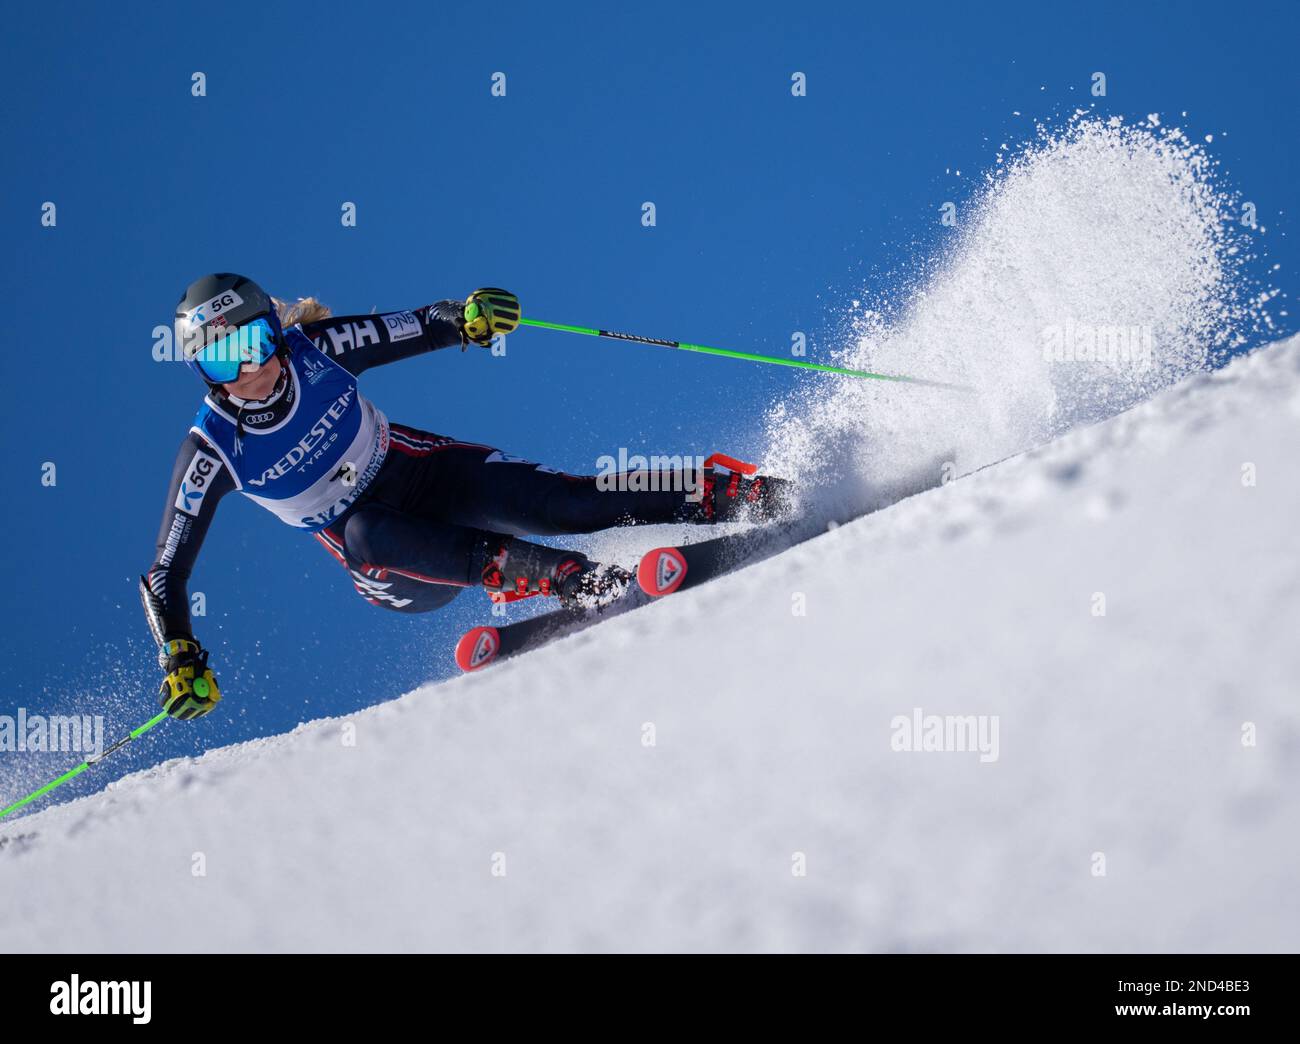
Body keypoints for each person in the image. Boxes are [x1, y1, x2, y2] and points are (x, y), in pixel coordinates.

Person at [143, 274, 788, 720]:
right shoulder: (211, 451)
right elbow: (166, 573)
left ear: (275, 334)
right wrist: (180, 653)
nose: (250, 372)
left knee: (569, 504)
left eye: (254, 344)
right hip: (394, 565)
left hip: (421, 472)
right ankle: (559, 578)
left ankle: (725, 492)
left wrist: (470, 319)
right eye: (226, 363)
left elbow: (421, 325)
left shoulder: (321, 349)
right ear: (206, 374)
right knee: (364, 531)